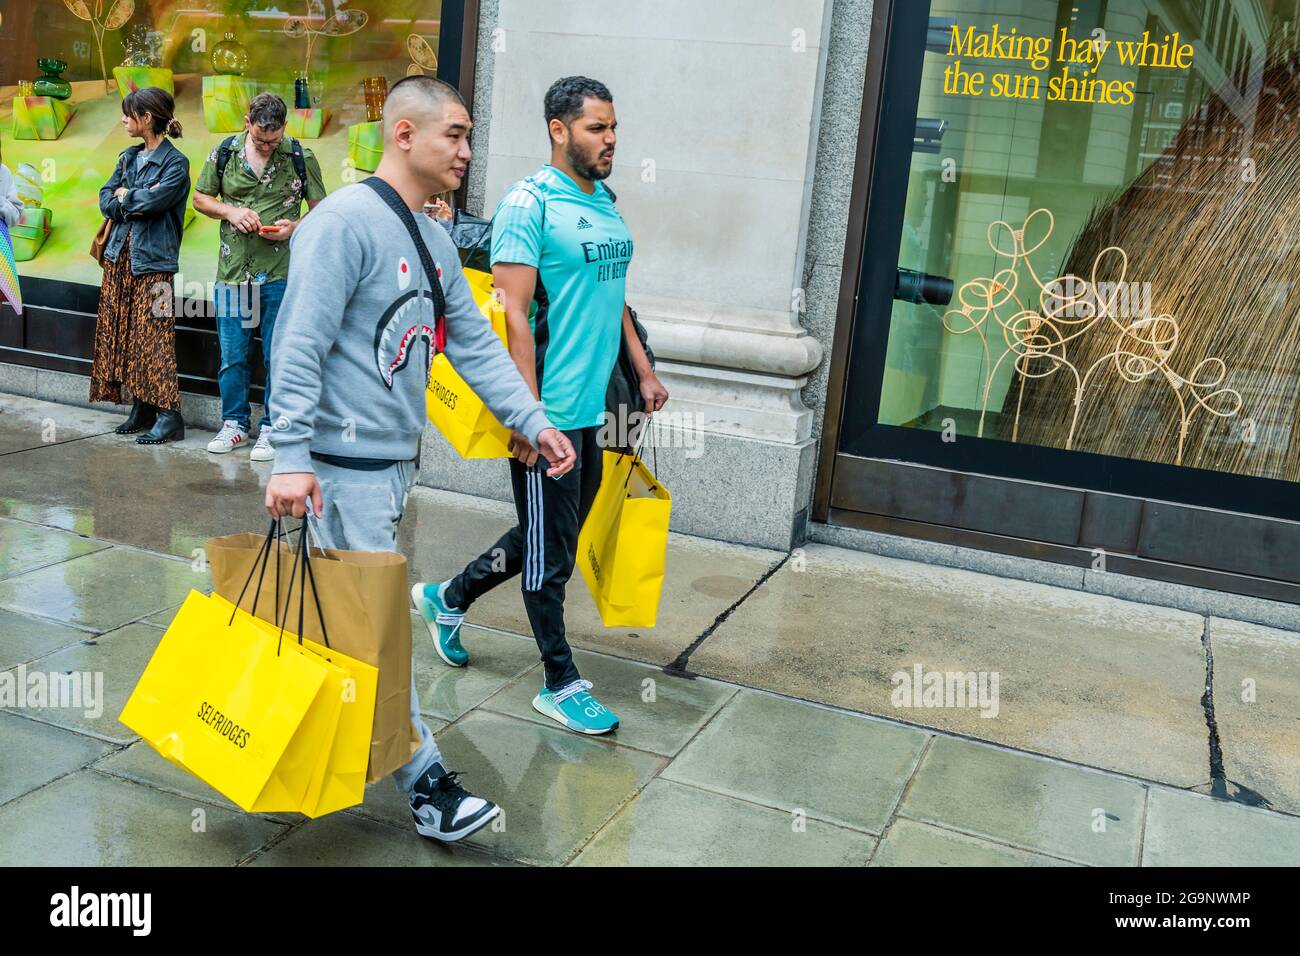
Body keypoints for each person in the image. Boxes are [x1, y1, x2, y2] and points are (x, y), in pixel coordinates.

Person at [264, 75, 577, 843]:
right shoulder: (340, 225)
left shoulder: (434, 237)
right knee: (375, 637)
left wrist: (531, 420)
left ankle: (287, 756)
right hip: (333, 473)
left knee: (342, 633)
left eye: (468, 138)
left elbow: (473, 343)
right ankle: (430, 788)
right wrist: (290, 455)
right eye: (456, 135)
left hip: (388, 471)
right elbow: (297, 346)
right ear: (404, 135)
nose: (467, 152)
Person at [413, 76, 667, 736]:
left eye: (613, 127)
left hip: (596, 406)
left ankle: (450, 597)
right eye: (596, 129)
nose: (610, 140)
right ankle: (559, 681)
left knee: (550, 536)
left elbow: (614, 298)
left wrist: (643, 373)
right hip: (549, 409)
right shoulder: (530, 205)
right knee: (551, 558)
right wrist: (528, 418)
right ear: (559, 130)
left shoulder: (603, 200)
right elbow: (513, 319)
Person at [194, 92, 327, 461]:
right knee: (232, 356)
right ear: (247, 122)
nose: (267, 145)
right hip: (234, 271)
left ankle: (273, 427)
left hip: (281, 273)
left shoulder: (301, 156)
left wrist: (294, 227)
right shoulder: (224, 152)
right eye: (260, 138)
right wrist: (231, 212)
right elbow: (201, 198)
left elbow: (323, 212)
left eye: (273, 139)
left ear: (284, 127)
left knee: (277, 355)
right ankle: (234, 424)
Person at [90, 87, 190, 444]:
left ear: (146, 118)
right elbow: (105, 199)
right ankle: (143, 406)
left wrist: (126, 196)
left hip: (155, 265)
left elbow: (156, 201)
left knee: (155, 338)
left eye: (128, 114)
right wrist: (126, 199)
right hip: (119, 260)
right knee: (128, 334)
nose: (123, 120)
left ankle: (169, 416)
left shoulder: (176, 163)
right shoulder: (127, 158)